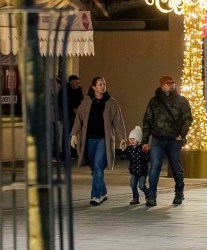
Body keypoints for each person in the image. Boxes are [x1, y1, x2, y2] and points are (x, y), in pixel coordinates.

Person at [70, 77, 127, 205]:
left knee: (97, 165)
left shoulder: (111, 103)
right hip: (89, 139)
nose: (103, 86)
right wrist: (74, 134)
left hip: (103, 139)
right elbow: (79, 119)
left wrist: (122, 138)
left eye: (104, 84)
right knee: (95, 168)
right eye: (100, 84)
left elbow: (118, 122)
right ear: (93, 87)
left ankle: (96, 196)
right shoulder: (86, 102)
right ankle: (104, 191)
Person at [141, 75, 192, 206]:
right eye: (168, 83)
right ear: (162, 85)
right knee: (154, 168)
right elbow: (147, 120)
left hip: (173, 140)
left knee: (176, 167)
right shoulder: (154, 101)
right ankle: (151, 196)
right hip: (158, 139)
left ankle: (179, 193)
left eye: (173, 83)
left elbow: (187, 118)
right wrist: (145, 140)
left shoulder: (181, 101)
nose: (171, 85)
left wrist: (182, 134)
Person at [118, 125, 149, 205]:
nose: (131, 141)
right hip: (134, 171)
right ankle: (135, 198)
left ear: (138, 139)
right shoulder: (129, 149)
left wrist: (147, 152)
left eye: (133, 139)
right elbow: (123, 157)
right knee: (133, 185)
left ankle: (147, 193)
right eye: (130, 139)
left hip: (142, 171)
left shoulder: (142, 148)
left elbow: (148, 158)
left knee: (141, 186)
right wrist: (122, 149)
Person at [62, 74, 83, 159]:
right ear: (71, 82)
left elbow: (81, 100)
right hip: (68, 115)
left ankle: (74, 153)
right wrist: (72, 109)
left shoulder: (79, 90)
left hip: (77, 116)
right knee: (67, 134)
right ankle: (65, 154)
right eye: (75, 81)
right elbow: (63, 102)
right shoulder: (65, 91)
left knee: (75, 134)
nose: (77, 82)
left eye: (78, 80)